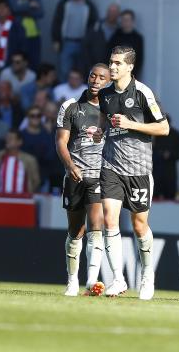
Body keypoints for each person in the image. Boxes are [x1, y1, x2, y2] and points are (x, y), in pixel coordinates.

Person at [93, 45, 169, 300]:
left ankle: (147, 275)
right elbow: (105, 120)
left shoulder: (143, 93)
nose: (112, 67)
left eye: (117, 63)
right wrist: (100, 131)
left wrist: (131, 124)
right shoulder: (105, 95)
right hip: (111, 166)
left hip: (138, 169)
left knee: (139, 225)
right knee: (109, 220)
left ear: (130, 67)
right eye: (111, 62)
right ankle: (118, 279)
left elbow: (164, 129)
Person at [56, 63, 109, 296]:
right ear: (88, 78)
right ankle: (71, 280)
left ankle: (91, 280)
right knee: (76, 230)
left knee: (97, 226)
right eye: (93, 76)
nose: (96, 81)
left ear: (108, 82)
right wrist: (70, 166)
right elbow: (60, 142)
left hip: (99, 176)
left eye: (101, 78)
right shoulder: (70, 106)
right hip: (74, 176)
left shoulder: (111, 111)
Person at [51, 0, 99, 82]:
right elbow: (57, 21)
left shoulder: (89, 6)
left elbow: (93, 25)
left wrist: (89, 41)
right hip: (66, 42)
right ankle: (63, 95)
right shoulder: (64, 3)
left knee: (81, 70)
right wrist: (56, 40)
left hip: (83, 43)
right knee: (64, 70)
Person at [6, 0, 44, 69]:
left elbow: (41, 13)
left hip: (34, 34)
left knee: (34, 62)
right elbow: (14, 7)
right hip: (18, 34)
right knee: (18, 61)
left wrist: (23, 7)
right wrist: (30, 5)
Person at [0, 129, 39, 193]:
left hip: (22, 200)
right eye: (7, 138)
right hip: (1, 199)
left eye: (11, 138)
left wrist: (28, 194)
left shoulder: (29, 160)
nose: (7, 140)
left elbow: (35, 181)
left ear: (19, 142)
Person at [21, 105, 54, 191]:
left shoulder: (46, 135)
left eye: (38, 116)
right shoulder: (21, 135)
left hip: (42, 178)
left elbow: (50, 156)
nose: (35, 118)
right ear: (27, 117)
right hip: (23, 178)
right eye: (32, 116)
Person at [81, 3, 120, 77]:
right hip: (94, 65)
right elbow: (86, 45)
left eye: (114, 12)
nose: (112, 14)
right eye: (110, 12)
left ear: (118, 15)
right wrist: (89, 64)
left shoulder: (119, 30)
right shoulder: (96, 27)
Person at [152, 114, 179, 199]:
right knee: (153, 200)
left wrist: (170, 155)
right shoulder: (154, 135)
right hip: (155, 173)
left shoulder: (175, 135)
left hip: (170, 174)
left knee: (170, 199)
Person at [0, 0, 26, 67]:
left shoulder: (17, 26)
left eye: (4, 7)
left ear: (9, 10)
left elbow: (22, 47)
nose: (1, 9)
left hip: (9, 63)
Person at [107, 10, 144, 78]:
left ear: (132, 22)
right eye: (123, 20)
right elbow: (108, 53)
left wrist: (132, 74)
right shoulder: (116, 35)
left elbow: (139, 59)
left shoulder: (137, 38)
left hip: (131, 73)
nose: (125, 22)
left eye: (127, 20)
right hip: (115, 72)